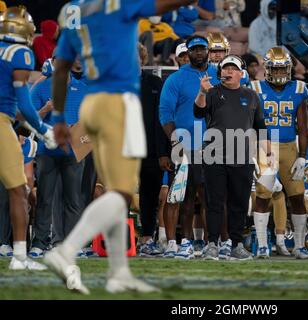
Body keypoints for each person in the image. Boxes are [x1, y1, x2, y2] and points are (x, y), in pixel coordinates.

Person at [44, 0, 196, 295]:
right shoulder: (118, 4)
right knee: (121, 193)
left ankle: (118, 272)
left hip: (92, 104)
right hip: (117, 103)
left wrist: (61, 117)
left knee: (114, 189)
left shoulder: (75, 13)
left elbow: (60, 68)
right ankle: (66, 251)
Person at [194, 54, 270, 260]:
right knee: (214, 202)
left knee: (239, 203)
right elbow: (198, 112)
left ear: (241, 73)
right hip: (214, 155)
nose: (228, 71)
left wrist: (269, 156)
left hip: (242, 156)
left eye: (232, 68)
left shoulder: (252, 96)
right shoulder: (212, 92)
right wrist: (202, 91)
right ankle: (212, 244)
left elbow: (260, 127)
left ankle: (236, 244)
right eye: (225, 68)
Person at [0, 6, 56, 271]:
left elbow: (19, 110)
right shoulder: (20, 53)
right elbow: (23, 101)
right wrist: (44, 130)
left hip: (6, 119)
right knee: (19, 190)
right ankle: (20, 256)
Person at [159, 35, 219, 259]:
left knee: (208, 196)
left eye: (202, 49)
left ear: (208, 51)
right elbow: (165, 114)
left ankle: (204, 241)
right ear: (188, 53)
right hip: (184, 143)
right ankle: (177, 242)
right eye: (194, 50)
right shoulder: (175, 79)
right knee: (179, 194)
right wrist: (175, 141)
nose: (198, 53)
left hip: (214, 144)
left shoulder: (218, 74)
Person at [250, 47, 308, 259]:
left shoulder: (299, 89)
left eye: (282, 69)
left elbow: (303, 127)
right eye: (274, 70)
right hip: (265, 147)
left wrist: (303, 155)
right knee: (263, 196)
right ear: (267, 70)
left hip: (289, 147)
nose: (278, 74)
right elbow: (249, 123)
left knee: (297, 196)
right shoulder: (255, 88)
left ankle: (300, 245)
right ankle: (263, 244)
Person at [29, 58, 87, 258]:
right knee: (45, 198)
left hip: (73, 152)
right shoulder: (40, 88)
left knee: (73, 199)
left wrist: (76, 130)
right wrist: (45, 109)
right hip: (47, 151)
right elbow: (27, 118)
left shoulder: (83, 89)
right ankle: (39, 243)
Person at [137, 43, 171, 257]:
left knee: (150, 196)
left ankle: (148, 239)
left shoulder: (155, 82)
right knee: (119, 195)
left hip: (150, 150)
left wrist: (162, 153)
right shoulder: (115, 85)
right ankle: (118, 238)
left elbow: (161, 121)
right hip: (122, 150)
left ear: (143, 59)